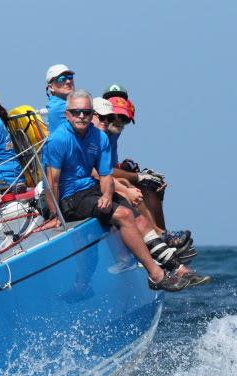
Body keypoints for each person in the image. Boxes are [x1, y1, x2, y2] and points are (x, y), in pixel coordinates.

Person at [42, 89, 208, 291]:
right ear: (67, 114)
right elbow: (53, 183)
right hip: (70, 197)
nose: (81, 116)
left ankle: (178, 268)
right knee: (124, 215)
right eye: (76, 112)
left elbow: (105, 176)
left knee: (138, 216)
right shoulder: (58, 140)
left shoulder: (99, 138)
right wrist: (54, 214)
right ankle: (156, 275)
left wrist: (106, 194)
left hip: (92, 190)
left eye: (86, 112)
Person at [44, 64, 75, 133]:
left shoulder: (54, 104)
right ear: (51, 87)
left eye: (70, 77)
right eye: (62, 79)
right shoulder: (61, 107)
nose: (68, 81)